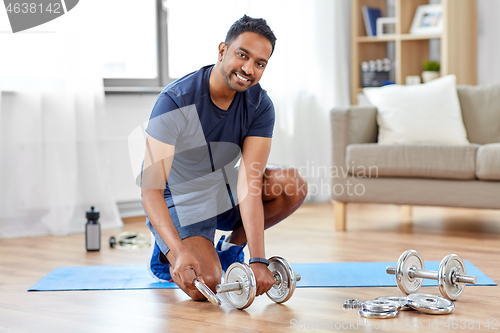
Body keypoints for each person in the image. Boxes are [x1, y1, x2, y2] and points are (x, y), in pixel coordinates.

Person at [141, 15, 307, 301]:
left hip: (220, 188)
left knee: (292, 185)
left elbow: (249, 181)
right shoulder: (176, 100)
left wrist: (257, 259)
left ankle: (230, 248)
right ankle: (164, 254)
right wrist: (179, 253)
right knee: (207, 284)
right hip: (180, 198)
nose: (248, 69)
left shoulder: (260, 105)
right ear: (222, 50)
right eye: (242, 55)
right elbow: (150, 189)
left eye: (260, 63)